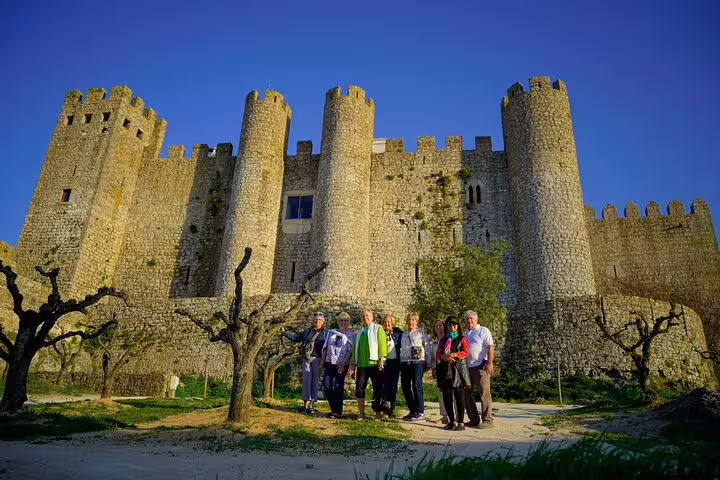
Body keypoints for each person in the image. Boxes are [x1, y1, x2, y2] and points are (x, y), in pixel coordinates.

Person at [283, 311, 328, 414]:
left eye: (320, 320)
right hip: (307, 359)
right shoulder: (308, 331)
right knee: (307, 381)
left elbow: (328, 347)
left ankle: (312, 406)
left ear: (323, 322)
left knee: (315, 382)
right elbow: (296, 338)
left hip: (317, 360)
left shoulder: (325, 333)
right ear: (313, 321)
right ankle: (306, 405)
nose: (317, 321)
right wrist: (284, 333)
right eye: (316, 319)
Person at [349, 307, 387, 420]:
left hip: (374, 363)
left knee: (377, 388)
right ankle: (361, 413)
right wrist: (353, 364)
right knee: (360, 388)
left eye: (367, 316)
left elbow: (382, 344)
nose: (365, 318)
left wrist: (381, 359)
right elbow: (354, 349)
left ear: (372, 317)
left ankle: (378, 413)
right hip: (361, 365)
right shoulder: (358, 333)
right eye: (363, 316)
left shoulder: (378, 328)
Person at [435, 316, 472, 431]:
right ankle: (452, 421)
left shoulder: (463, 339)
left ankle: (461, 422)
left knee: (459, 396)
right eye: (450, 324)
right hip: (446, 370)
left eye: (454, 324)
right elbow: (438, 353)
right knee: (447, 396)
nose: (452, 327)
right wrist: (445, 357)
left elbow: (466, 352)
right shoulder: (443, 340)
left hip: (458, 370)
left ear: (458, 326)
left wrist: (455, 355)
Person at [463, 310, 495, 428]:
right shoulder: (465, 334)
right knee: (466, 393)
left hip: (481, 367)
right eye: (467, 319)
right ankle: (473, 419)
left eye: (471, 318)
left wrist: (490, 364)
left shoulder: (483, 330)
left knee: (484, 393)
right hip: (467, 368)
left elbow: (490, 347)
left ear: (476, 320)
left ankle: (487, 420)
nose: (469, 321)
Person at [322, 312, 354, 419]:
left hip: (341, 364)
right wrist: (323, 361)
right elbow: (326, 347)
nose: (343, 322)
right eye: (341, 320)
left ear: (349, 322)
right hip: (330, 362)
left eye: (346, 320)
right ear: (338, 321)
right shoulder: (331, 333)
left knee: (338, 386)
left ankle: (338, 412)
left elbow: (350, 351)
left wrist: (344, 363)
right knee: (326, 385)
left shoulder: (350, 335)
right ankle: (334, 409)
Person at [399, 312, 430, 421]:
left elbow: (427, 347)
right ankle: (413, 410)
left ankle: (420, 411)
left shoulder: (421, 332)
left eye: (413, 320)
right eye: (409, 319)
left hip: (418, 362)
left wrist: (428, 362)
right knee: (405, 386)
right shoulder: (403, 334)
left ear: (416, 321)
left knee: (416, 385)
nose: (410, 322)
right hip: (405, 362)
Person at [428, 318, 449, 424]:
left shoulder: (448, 340)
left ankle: (454, 415)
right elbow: (433, 357)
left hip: (448, 369)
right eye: (436, 326)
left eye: (440, 325)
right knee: (441, 393)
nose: (438, 328)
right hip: (438, 369)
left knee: (451, 392)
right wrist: (433, 368)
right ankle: (444, 416)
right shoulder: (434, 342)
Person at [382, 314, 403, 418]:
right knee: (385, 385)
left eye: (389, 322)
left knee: (394, 386)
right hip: (385, 363)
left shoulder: (398, 333)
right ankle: (385, 407)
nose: (387, 324)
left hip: (395, 362)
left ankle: (392, 408)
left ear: (392, 323)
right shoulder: (380, 334)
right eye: (385, 322)